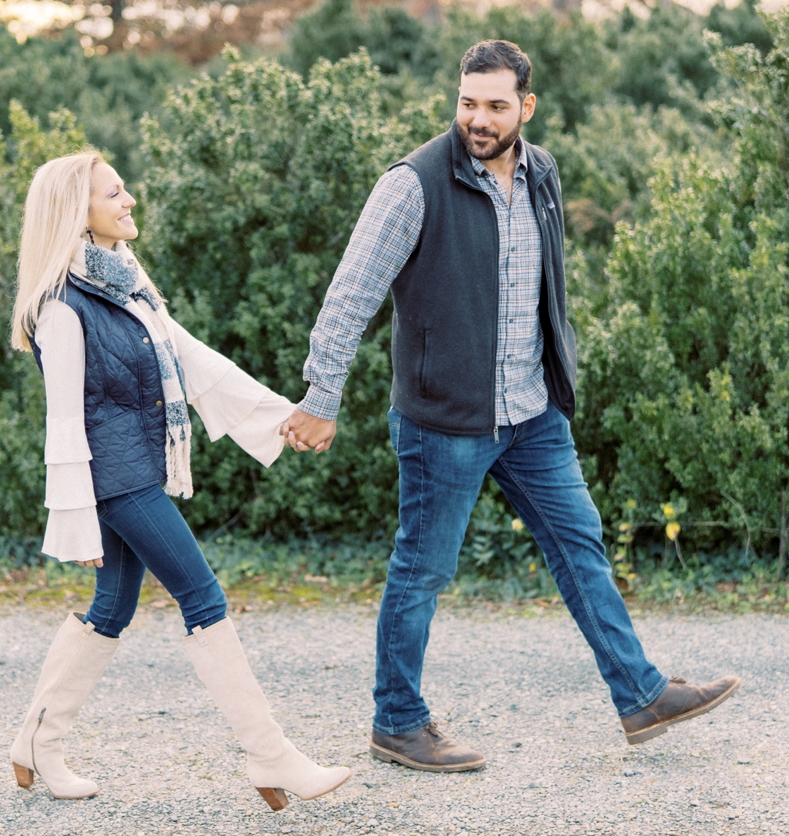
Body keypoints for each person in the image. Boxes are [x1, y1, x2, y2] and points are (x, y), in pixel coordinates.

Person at [282, 40, 741, 771]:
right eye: (468, 103)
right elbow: (352, 292)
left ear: (526, 107)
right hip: (445, 421)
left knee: (581, 546)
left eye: (496, 105)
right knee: (423, 570)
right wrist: (321, 395)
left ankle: (641, 695)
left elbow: (542, 288)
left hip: (531, 414)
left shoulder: (544, 174)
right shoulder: (413, 185)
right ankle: (397, 722)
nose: (479, 119)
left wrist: (558, 373)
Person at [7, 151, 351, 810]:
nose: (129, 199)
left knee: (113, 608)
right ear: (78, 210)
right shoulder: (62, 308)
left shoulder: (126, 283)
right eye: (115, 192)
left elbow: (195, 362)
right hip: (114, 482)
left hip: (136, 470)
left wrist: (285, 418)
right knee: (203, 595)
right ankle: (268, 754)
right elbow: (62, 425)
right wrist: (76, 519)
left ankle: (36, 743)